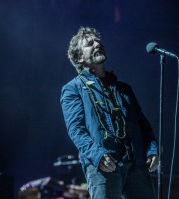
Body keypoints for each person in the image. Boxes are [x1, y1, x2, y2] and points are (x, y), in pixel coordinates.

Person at [60, 26, 159, 199]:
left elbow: (143, 124)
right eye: (90, 43)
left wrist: (152, 149)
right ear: (80, 57)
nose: (97, 44)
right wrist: (97, 155)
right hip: (104, 165)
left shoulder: (124, 89)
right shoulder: (73, 89)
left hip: (136, 164)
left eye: (98, 41)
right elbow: (76, 130)